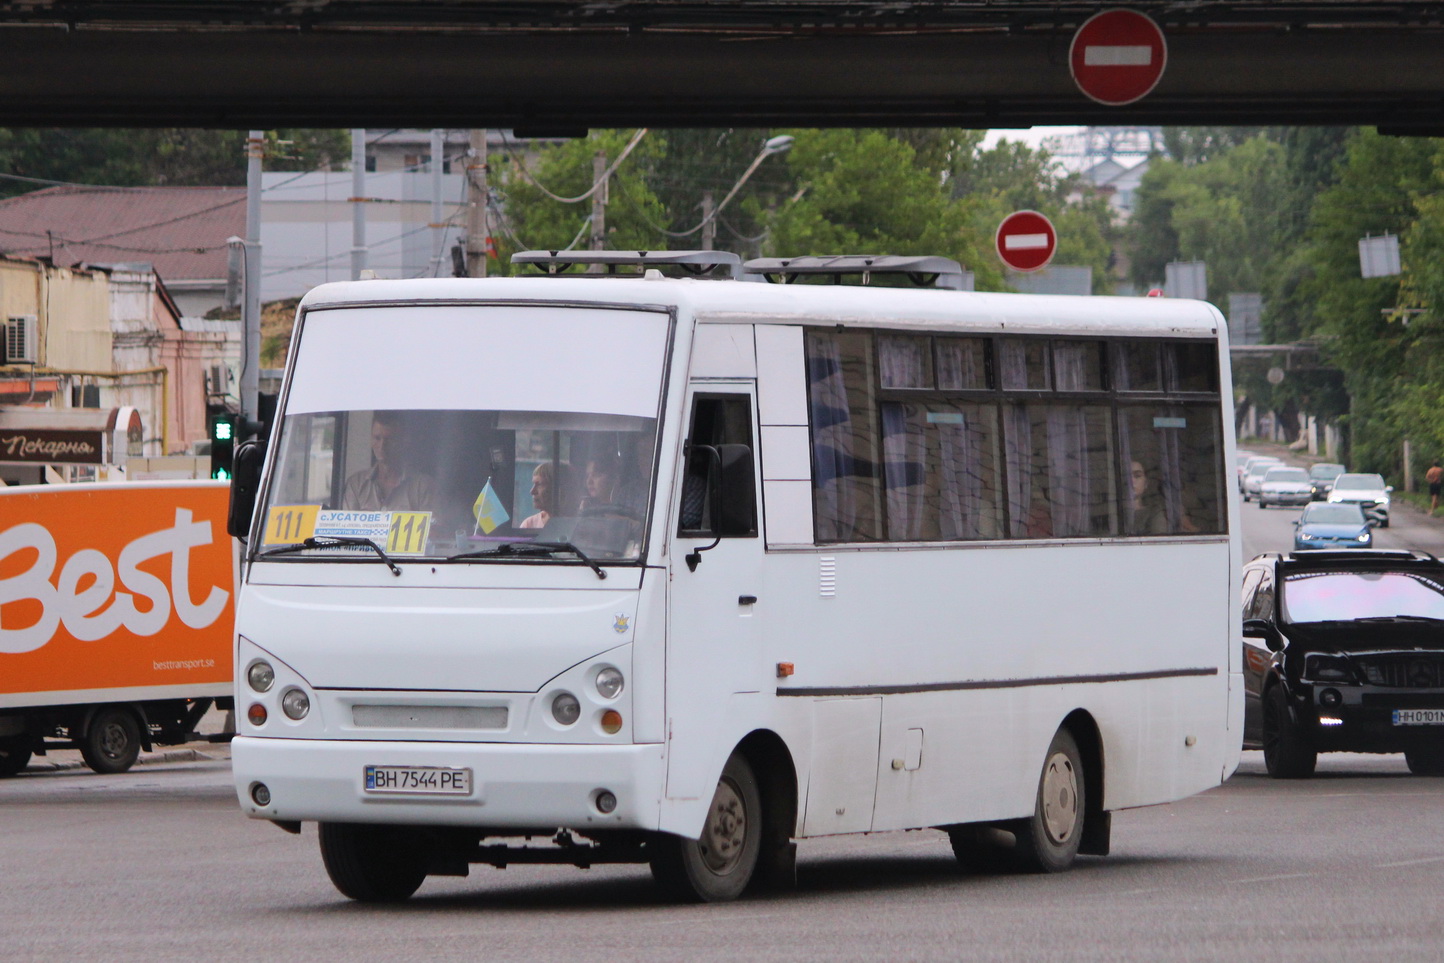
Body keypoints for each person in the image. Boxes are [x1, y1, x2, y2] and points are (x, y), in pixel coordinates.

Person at [341, 411, 437, 512]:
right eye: (377, 438)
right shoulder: (356, 485)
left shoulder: (423, 487)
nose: (382, 446)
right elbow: (347, 526)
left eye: (390, 439)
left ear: (403, 441)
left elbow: (432, 527)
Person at [519, 461, 573, 529]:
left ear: (558, 489)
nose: (532, 491)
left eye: (539, 484)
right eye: (534, 484)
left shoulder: (577, 525)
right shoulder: (529, 524)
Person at [1130, 460, 1168, 535]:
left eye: (1137, 476)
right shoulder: (1111, 514)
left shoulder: (1154, 512)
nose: (1131, 480)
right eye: (1126, 476)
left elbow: (1157, 543)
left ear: (1146, 483)